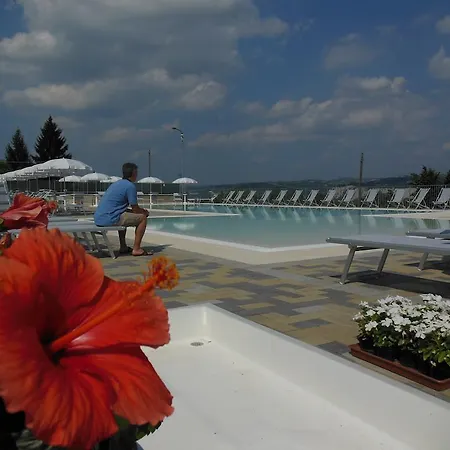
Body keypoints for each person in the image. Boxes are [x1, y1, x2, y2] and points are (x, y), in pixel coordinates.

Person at [94, 162, 151, 256]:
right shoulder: (130, 186)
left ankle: (123, 246)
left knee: (124, 214)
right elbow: (135, 209)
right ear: (133, 173)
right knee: (142, 218)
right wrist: (144, 212)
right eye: (136, 173)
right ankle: (136, 249)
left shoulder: (116, 184)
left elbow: (129, 210)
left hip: (99, 218)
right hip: (109, 218)